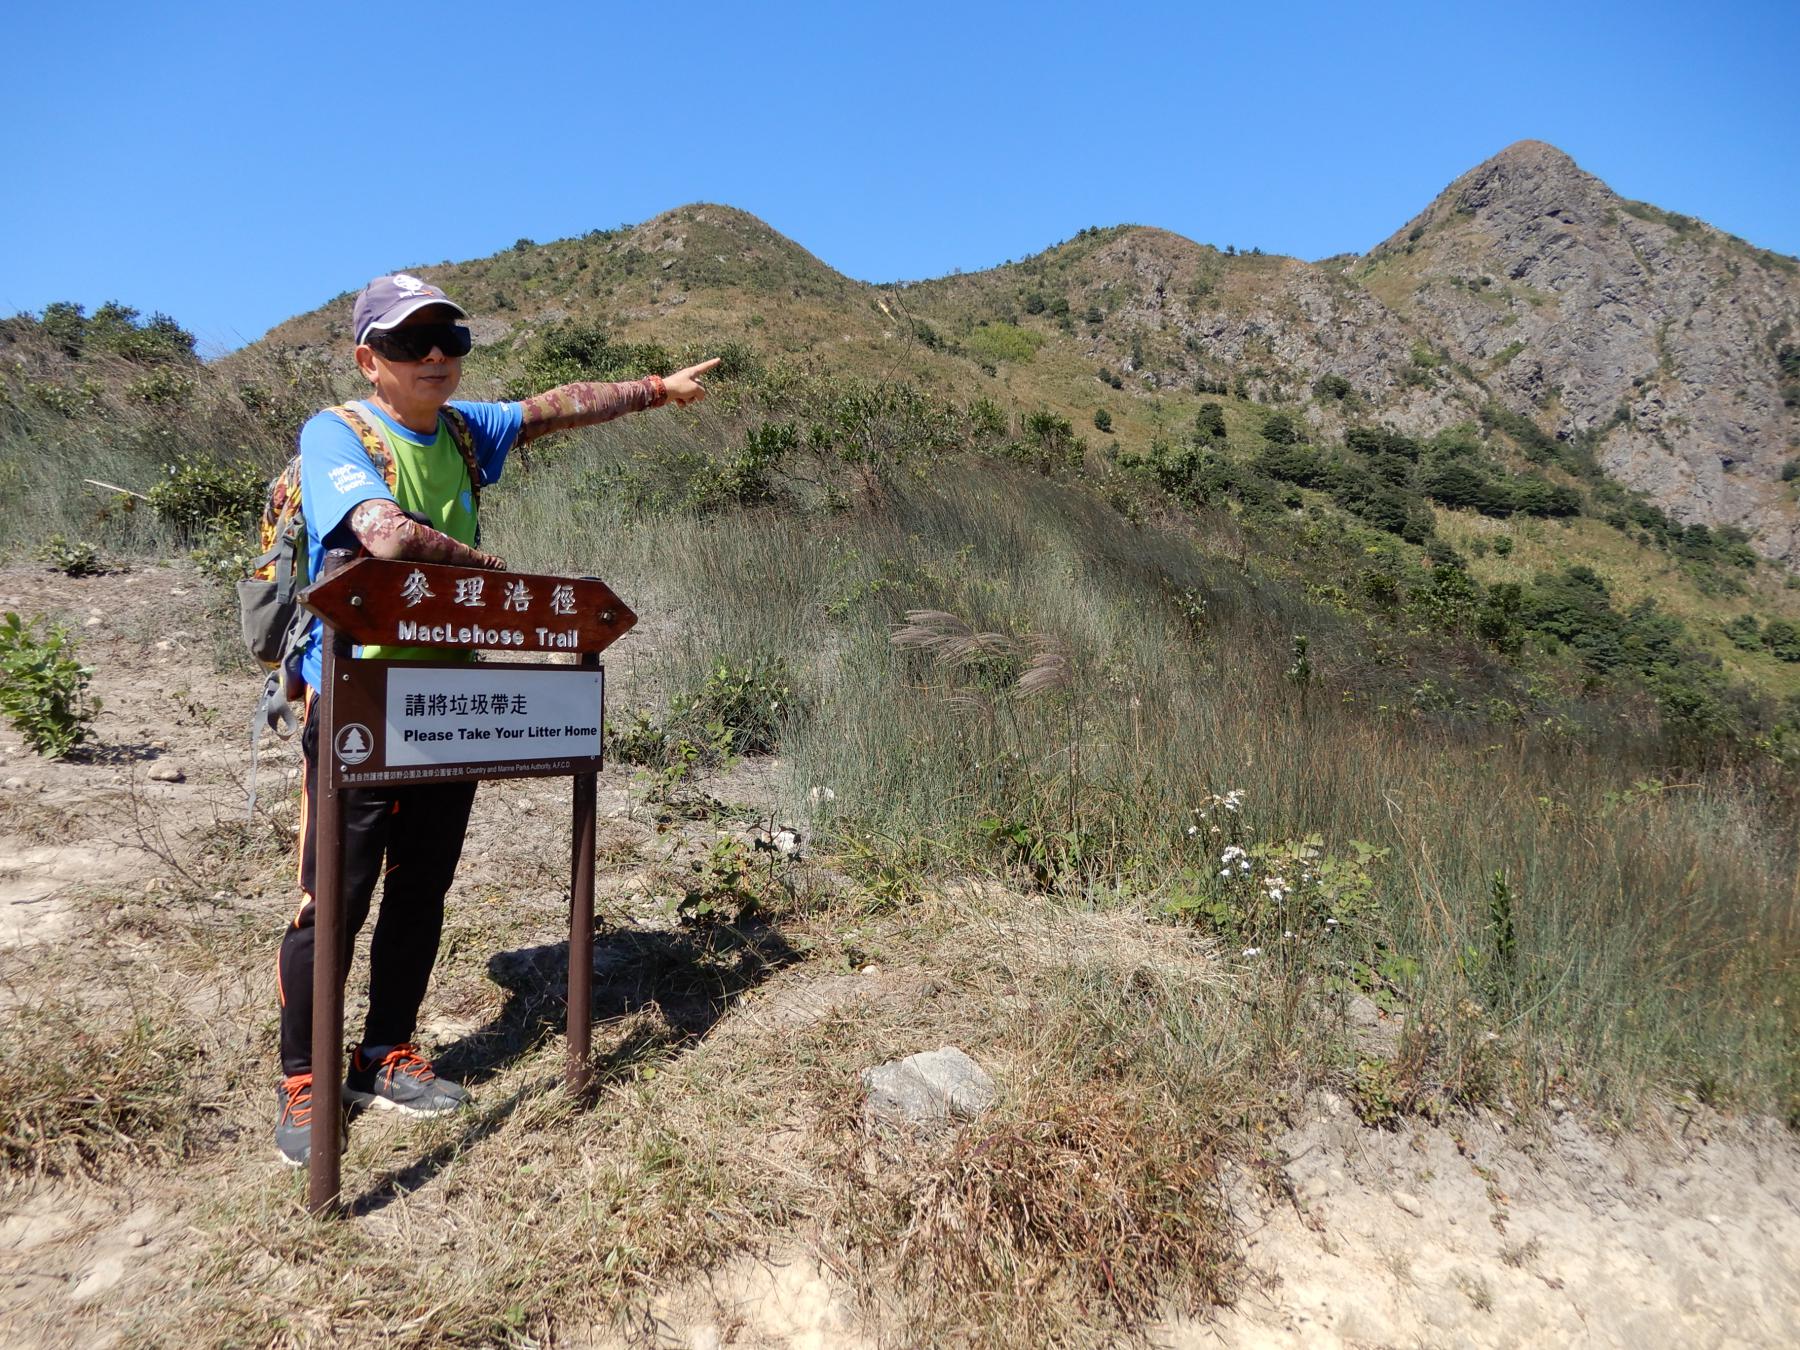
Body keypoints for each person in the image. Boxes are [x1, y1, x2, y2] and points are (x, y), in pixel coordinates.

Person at [274, 272, 716, 1166]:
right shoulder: (338, 433)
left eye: (452, 338)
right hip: (359, 699)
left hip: (451, 702)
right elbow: (384, 534)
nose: (436, 355)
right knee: (335, 897)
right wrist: (495, 579)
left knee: (422, 886)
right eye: (411, 342)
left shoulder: (465, 429)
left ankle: (384, 1053)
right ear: (369, 359)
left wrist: (656, 391)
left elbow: (555, 408)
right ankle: (304, 1079)